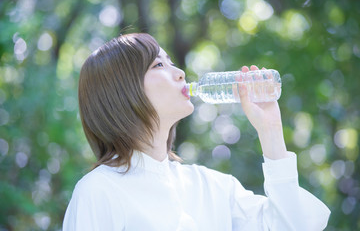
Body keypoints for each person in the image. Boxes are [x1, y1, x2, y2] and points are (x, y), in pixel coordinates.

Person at [62, 33, 330, 230]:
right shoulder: (99, 191)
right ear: (121, 93)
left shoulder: (210, 185)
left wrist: (270, 131)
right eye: (158, 65)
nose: (179, 72)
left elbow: (289, 225)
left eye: (171, 62)